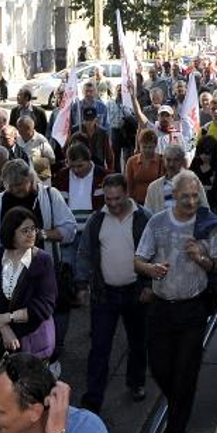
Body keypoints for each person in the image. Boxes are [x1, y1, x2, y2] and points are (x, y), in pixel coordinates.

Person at [134, 171, 217, 433]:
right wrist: (150, 270)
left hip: (192, 309)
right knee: (161, 368)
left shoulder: (207, 225)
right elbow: (138, 259)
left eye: (195, 195)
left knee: (186, 373)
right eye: (185, 196)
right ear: (173, 196)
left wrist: (202, 259)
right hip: (161, 307)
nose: (191, 201)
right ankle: (178, 403)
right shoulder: (157, 222)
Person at [77, 175, 150, 410]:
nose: (114, 203)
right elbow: (85, 252)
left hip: (136, 292)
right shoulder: (96, 220)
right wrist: (81, 285)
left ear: (127, 193)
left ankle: (136, 382)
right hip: (104, 294)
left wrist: (150, 286)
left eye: (118, 198)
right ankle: (93, 398)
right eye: (108, 199)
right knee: (99, 347)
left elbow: (157, 252)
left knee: (138, 342)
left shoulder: (144, 218)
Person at [0, 206, 58, 361]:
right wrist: (4, 327)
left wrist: (8, 317)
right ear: (10, 232)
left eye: (33, 229)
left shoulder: (42, 260)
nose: (31, 234)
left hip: (33, 342)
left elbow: (45, 305)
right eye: (24, 230)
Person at [145, 144, 211, 214]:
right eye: (168, 160)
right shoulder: (154, 187)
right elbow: (147, 214)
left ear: (182, 161)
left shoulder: (193, 182)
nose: (171, 164)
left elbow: (205, 209)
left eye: (176, 160)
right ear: (164, 161)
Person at [125, 129, 165, 205]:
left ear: (155, 145)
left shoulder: (162, 161)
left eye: (150, 147)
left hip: (156, 202)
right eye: (144, 147)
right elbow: (129, 186)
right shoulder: (131, 161)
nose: (147, 150)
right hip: (137, 202)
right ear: (139, 145)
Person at [190, 135, 217, 215]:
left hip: (213, 206)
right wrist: (206, 186)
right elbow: (189, 182)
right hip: (195, 204)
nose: (205, 156)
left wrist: (199, 186)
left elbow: (215, 188)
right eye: (202, 153)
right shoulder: (195, 162)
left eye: (208, 153)